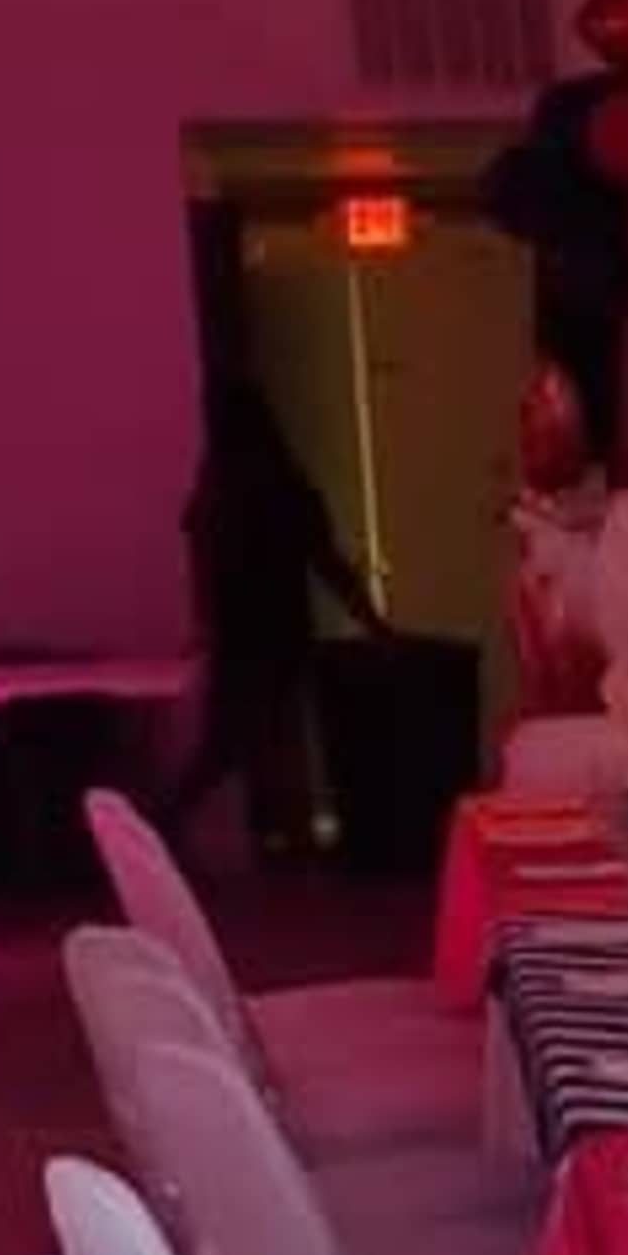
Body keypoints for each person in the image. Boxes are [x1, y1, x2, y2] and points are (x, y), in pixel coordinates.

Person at [164, 310, 386, 857]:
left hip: (237, 637)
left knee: (229, 745)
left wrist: (203, 621)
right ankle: (295, 841)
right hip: (280, 633)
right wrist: (372, 621)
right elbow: (325, 559)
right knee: (277, 741)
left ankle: (172, 821)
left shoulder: (215, 488)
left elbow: (197, 552)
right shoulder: (280, 481)